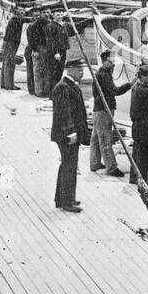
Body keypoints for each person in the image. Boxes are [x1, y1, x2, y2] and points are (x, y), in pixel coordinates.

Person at [49, 59, 89, 212]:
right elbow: (64, 113)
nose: (82, 73)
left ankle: (62, 198)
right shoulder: (63, 87)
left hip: (70, 133)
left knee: (67, 165)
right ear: (70, 70)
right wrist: (71, 132)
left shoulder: (70, 86)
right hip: (67, 134)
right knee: (70, 167)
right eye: (79, 70)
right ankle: (67, 202)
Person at [88, 50, 130, 177]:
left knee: (96, 136)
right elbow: (115, 91)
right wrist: (131, 83)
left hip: (99, 109)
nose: (113, 65)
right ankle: (111, 167)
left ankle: (94, 163)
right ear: (105, 61)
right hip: (104, 110)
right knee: (105, 138)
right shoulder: (104, 76)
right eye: (111, 62)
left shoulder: (102, 73)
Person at [128, 64, 148, 186]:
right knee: (146, 153)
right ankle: (143, 179)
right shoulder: (145, 91)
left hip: (136, 125)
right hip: (144, 126)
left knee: (137, 151)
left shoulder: (136, 87)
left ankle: (134, 177)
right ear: (144, 76)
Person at [0, 7, 25, 90]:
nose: (22, 11)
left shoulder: (14, 18)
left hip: (8, 42)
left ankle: (4, 83)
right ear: (16, 11)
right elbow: (25, 19)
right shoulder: (16, 19)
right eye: (20, 10)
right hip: (11, 43)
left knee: (6, 63)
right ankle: (9, 85)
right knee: (10, 64)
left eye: (23, 10)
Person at [23, 10, 46, 96]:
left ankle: (34, 89)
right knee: (32, 70)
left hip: (34, 49)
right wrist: (35, 50)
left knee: (36, 70)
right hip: (31, 50)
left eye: (38, 16)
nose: (37, 17)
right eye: (35, 16)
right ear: (32, 17)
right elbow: (31, 40)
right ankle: (32, 89)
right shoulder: (31, 26)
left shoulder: (38, 25)